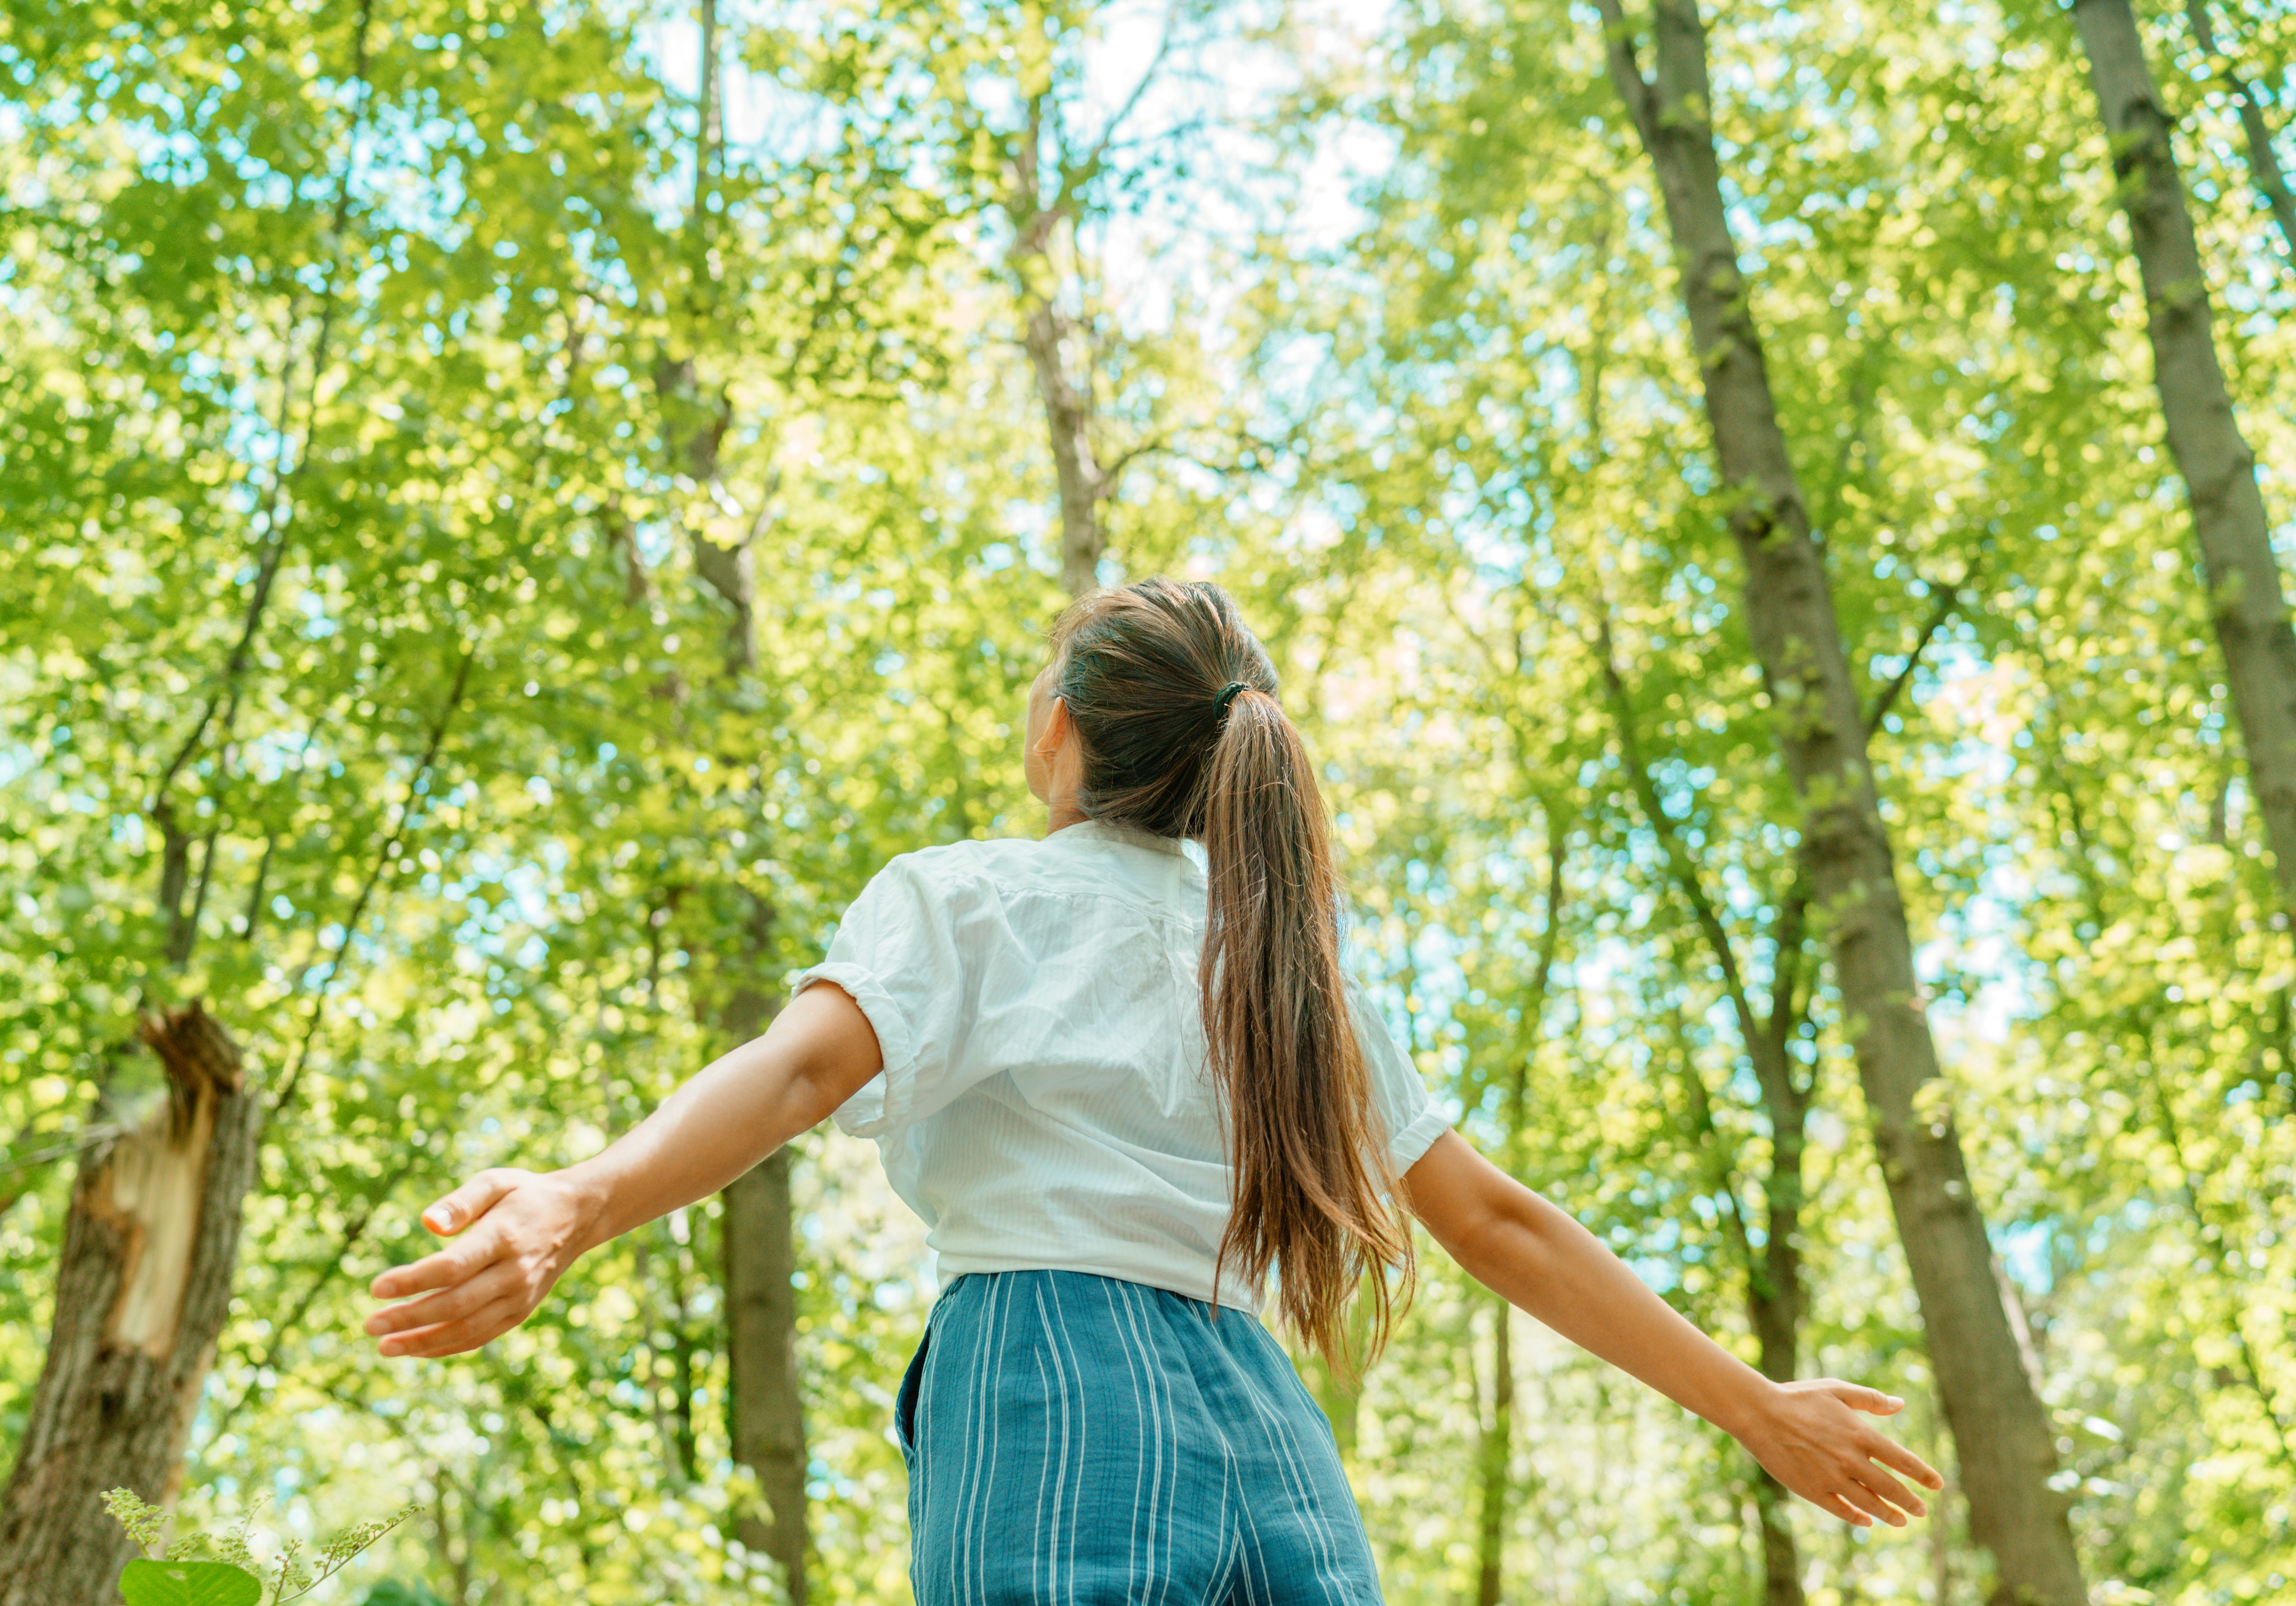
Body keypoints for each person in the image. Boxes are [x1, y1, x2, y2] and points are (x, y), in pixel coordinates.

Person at [366, 577, 1942, 1603]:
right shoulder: (1294, 969)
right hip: (1261, 1413)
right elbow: (1499, 1219)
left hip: (1047, 1369)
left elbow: (792, 1074)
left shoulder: (975, 896)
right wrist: (1755, 1403)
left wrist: (578, 1196)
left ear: (1061, 730)